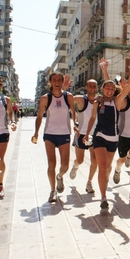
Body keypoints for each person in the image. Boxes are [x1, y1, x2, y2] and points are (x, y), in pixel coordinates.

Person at [82, 54, 130, 209]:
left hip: (113, 138)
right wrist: (87, 133)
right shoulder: (97, 102)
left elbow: (129, 85)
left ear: (114, 91)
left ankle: (103, 183)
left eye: (112, 88)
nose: (109, 90)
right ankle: (103, 197)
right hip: (99, 137)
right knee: (102, 166)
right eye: (107, 88)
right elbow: (92, 119)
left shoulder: (117, 102)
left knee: (107, 167)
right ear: (103, 89)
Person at [32, 72, 76, 203]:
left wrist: (76, 123)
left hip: (64, 133)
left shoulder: (68, 97)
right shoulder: (46, 98)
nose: (57, 82)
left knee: (65, 165)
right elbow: (39, 116)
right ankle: (53, 191)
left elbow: (73, 112)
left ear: (62, 82)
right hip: (50, 134)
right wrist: (36, 132)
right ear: (50, 82)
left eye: (59, 80)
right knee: (51, 163)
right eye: (54, 80)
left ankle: (60, 176)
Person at [68, 79, 98, 193]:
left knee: (94, 160)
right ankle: (75, 166)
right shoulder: (81, 99)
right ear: (86, 87)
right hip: (81, 134)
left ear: (96, 88)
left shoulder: (99, 100)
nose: (92, 88)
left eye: (94, 86)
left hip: (93, 134)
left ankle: (89, 182)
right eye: (90, 86)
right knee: (80, 160)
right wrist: (74, 119)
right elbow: (67, 99)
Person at [0, 78, 17, 198]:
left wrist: (13, 122)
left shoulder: (5, 100)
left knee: (0, 159)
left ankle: (0, 184)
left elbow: (10, 113)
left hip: (3, 131)